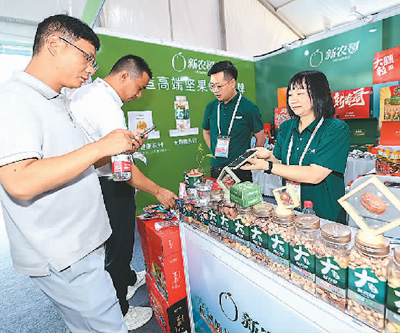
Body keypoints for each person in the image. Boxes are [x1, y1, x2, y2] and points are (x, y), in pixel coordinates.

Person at [0, 14, 147, 332]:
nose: (91, 69)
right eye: (88, 57)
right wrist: (100, 146)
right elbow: (20, 180)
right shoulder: (14, 100)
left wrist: (107, 150)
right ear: (54, 44)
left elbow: (69, 164)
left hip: (79, 244)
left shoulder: (57, 101)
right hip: (64, 252)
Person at [69, 54, 177, 329]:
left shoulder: (89, 93)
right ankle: (121, 309)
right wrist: (158, 191)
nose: (139, 96)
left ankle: (128, 278)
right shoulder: (108, 108)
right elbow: (123, 169)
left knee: (116, 243)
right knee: (118, 245)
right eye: (139, 87)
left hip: (93, 181)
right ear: (124, 75)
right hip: (108, 184)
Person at [242, 70, 350, 223]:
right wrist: (269, 156)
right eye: (290, 94)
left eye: (300, 93)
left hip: (325, 213)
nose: (293, 100)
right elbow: (281, 163)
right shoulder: (286, 127)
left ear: (319, 94)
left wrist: (267, 166)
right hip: (290, 206)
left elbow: (315, 174)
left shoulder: (335, 129)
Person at [202, 60, 266, 182]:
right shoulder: (211, 107)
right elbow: (206, 132)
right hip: (216, 168)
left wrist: (249, 160)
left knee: (241, 200)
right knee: (218, 200)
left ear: (232, 83)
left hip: (240, 169)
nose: (215, 90)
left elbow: (261, 138)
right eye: (212, 86)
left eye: (219, 86)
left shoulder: (248, 107)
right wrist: (215, 151)